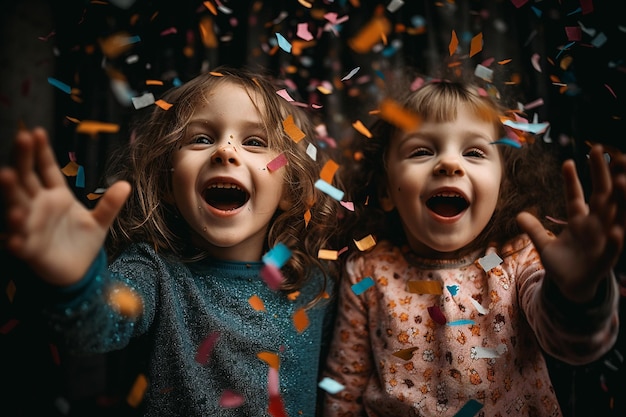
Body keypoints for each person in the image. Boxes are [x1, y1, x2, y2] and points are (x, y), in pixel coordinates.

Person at [0, 66, 342, 417]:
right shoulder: (153, 271)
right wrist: (75, 281)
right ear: (167, 181)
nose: (225, 152)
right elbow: (94, 330)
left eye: (254, 142)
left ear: (291, 188)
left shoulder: (314, 285)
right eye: (201, 138)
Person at [322, 77, 626, 416]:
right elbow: (343, 388)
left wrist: (577, 295)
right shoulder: (367, 271)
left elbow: (571, 344)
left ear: (501, 186)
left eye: (474, 152)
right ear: (385, 191)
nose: (450, 164)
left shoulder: (519, 258)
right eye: (422, 150)